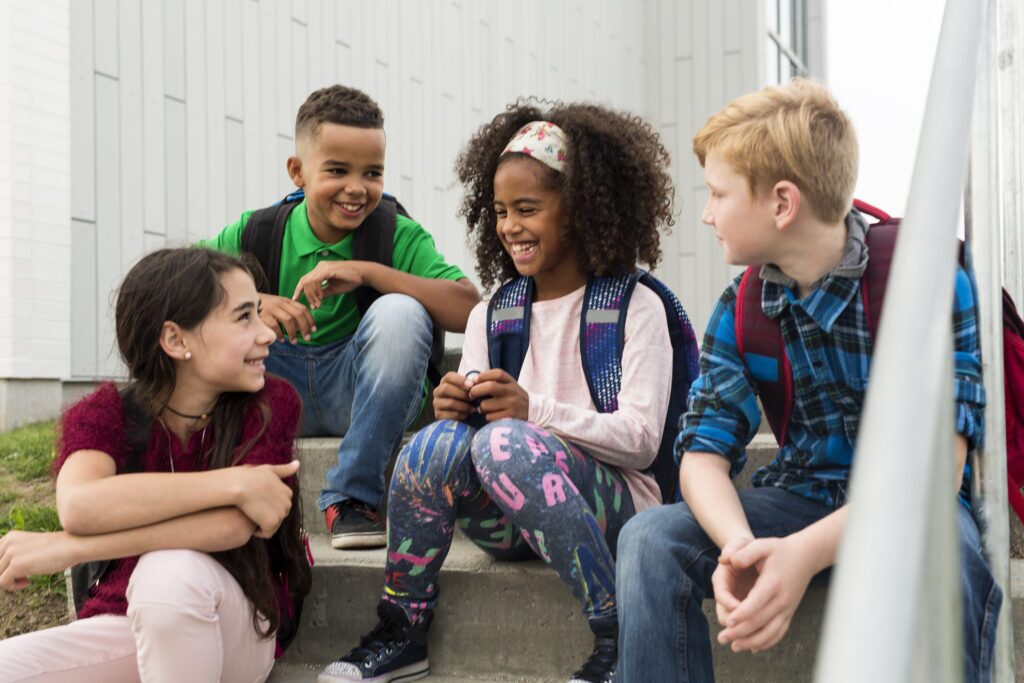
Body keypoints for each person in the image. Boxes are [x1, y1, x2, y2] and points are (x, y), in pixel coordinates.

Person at [615, 78, 1000, 683]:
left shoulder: (923, 278)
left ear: (782, 204)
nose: (708, 213)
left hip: (913, 511)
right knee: (649, 539)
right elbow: (701, 455)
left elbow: (936, 476)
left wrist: (802, 555)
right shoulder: (742, 305)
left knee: (949, 558)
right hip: (801, 499)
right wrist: (740, 547)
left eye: (718, 193)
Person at [311, 101, 678, 683]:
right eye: (501, 211)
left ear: (579, 210)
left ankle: (619, 635)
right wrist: (457, 412)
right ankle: (403, 629)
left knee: (506, 443)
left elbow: (641, 441)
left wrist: (532, 412)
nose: (509, 226)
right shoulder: (493, 313)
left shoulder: (635, 305)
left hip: (615, 511)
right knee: (433, 444)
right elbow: (483, 439)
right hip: (514, 511)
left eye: (527, 209)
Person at [0, 248, 312, 682]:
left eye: (260, 313)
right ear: (176, 340)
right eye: (244, 317)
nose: (266, 334)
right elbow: (81, 505)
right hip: (126, 621)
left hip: (239, 620)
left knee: (169, 574)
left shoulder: (269, 403)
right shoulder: (104, 412)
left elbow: (232, 527)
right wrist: (235, 484)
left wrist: (71, 549)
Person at [199, 85, 480, 549]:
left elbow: (470, 308)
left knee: (401, 311)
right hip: (273, 389)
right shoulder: (256, 232)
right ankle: (217, 485)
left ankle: (351, 497)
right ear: (297, 171)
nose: (356, 188)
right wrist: (254, 302)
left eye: (372, 172)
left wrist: (369, 273)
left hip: (361, 392)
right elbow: (170, 287)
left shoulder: (395, 234)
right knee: (212, 314)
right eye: (337, 170)